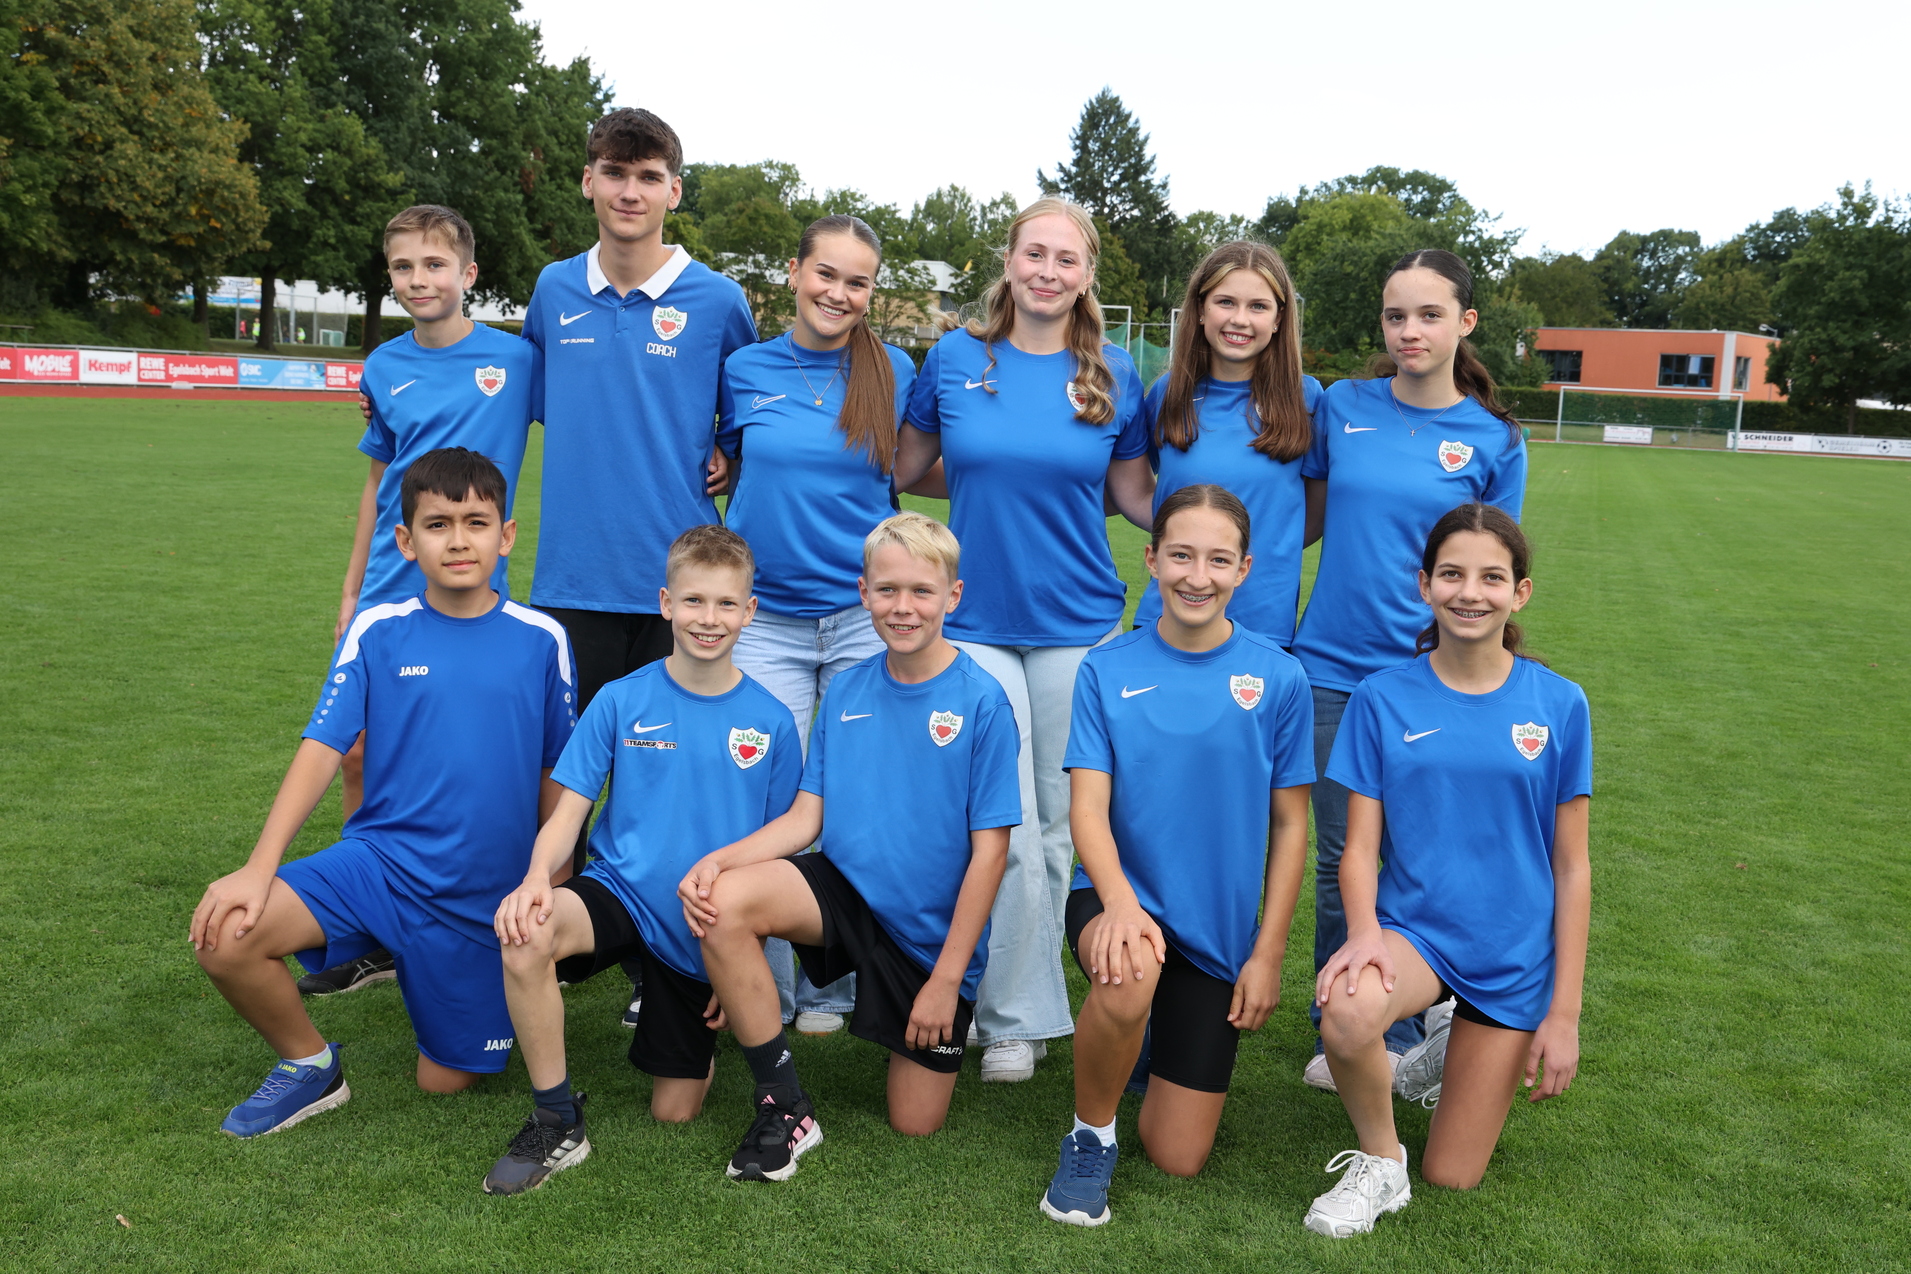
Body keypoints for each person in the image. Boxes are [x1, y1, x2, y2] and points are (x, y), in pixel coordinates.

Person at [189, 448, 575, 1136]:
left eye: (476, 522)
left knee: (446, 1082)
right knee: (225, 934)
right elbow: (321, 748)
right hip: (381, 865)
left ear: (506, 535)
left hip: (479, 898)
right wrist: (259, 866)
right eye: (437, 524)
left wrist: (550, 874)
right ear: (405, 541)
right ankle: (310, 1067)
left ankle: (421, 966)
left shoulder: (541, 639)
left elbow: (559, 768)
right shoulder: (378, 629)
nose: (458, 540)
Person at [891, 197, 1154, 1082]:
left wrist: (1240, 519)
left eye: (1066, 260)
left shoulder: (1114, 371)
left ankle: (1016, 1016)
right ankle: (1011, 1012)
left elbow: (1131, 495)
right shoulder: (956, 358)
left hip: (1079, 621)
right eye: (1033, 254)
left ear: (1086, 276)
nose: (1047, 271)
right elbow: (904, 469)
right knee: (995, 822)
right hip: (974, 623)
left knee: (1057, 828)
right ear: (1007, 262)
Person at [678, 512, 1019, 1181]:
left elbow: (991, 854)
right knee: (723, 900)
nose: (903, 607)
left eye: (922, 591)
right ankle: (784, 1104)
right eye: (887, 590)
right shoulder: (847, 690)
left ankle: (924, 1001)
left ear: (952, 596)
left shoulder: (981, 701)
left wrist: (945, 983)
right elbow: (807, 818)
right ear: (862, 593)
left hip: (927, 939)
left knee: (913, 1124)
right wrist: (720, 860)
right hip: (846, 894)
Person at [522, 107, 758, 1028]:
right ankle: (556, 943)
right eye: (613, 173)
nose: (629, 191)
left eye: (648, 175)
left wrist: (731, 459)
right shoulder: (552, 292)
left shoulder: (718, 301)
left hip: (678, 596)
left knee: (677, 787)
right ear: (588, 181)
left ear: (673, 191)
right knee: (566, 783)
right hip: (571, 585)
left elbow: (745, 426)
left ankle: (671, 967)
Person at [480, 525, 801, 1195]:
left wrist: (733, 959)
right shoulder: (622, 699)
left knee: (674, 1111)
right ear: (664, 603)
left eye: (723, 604)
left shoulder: (770, 721)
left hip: (701, 925)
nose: (707, 619)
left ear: (749, 610)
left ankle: (683, 1027)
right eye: (692, 601)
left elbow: (776, 857)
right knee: (526, 935)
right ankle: (555, 1118)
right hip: (619, 894)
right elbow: (567, 812)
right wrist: (537, 880)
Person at [1303, 502, 1590, 1237]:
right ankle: (1380, 1162)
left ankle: (1436, 1054)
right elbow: (1357, 848)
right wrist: (1363, 934)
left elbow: (1571, 864)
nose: (1471, 592)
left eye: (1491, 577)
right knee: (1345, 1010)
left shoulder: (1558, 705)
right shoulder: (1380, 697)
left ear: (1518, 592)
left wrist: (1562, 1015)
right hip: (1417, 936)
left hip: (1512, 954)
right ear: (1423, 584)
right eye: (1452, 574)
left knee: (1454, 1177)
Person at [1039, 485, 1314, 1226]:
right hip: (1115, 897)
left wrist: (1266, 952)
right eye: (1181, 556)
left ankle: (1143, 1054)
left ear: (1245, 569)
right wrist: (1121, 905)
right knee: (1129, 972)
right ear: (1152, 559)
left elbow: (1291, 826)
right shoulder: (1107, 668)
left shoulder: (1279, 678)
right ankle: (1089, 1136)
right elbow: (1086, 809)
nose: (1198, 576)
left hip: (1215, 932)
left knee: (1176, 1154)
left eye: (1218, 560)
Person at [1292, 248, 1529, 1088]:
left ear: (1464, 323)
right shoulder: (1340, 406)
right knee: (1337, 857)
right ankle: (1346, 1023)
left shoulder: (1492, 439)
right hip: (1327, 669)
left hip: (1432, 677)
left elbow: (1485, 565)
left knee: (1422, 855)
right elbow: (1302, 518)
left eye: (1429, 315)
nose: (1409, 331)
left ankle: (1422, 1014)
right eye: (1395, 316)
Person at [307, 205, 541, 998]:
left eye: (434, 266)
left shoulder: (519, 360)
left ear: (468, 275)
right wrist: (349, 592)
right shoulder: (383, 366)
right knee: (357, 752)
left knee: (473, 762)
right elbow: (376, 487)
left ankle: (500, 913)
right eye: (404, 268)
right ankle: (364, 927)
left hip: (474, 595)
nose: (419, 281)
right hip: (387, 590)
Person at [717, 213, 921, 1034]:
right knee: (765, 797)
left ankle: (836, 981)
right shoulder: (743, 367)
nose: (838, 292)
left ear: (872, 293)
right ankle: (764, 978)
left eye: (857, 281)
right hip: (765, 618)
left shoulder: (896, 370)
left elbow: (916, 470)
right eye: (825, 274)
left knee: (853, 799)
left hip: (863, 617)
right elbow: (723, 459)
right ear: (794, 271)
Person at [1134, 242, 1319, 645]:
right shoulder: (1167, 394)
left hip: (1263, 626)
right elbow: (1134, 488)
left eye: (1258, 306)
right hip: (1166, 620)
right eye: (1225, 302)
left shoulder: (1308, 400)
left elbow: (1313, 514)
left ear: (1278, 318)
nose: (1240, 319)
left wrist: (1265, 540)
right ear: (1200, 310)